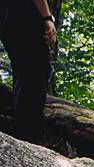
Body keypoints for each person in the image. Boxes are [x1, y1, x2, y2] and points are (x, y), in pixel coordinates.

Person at [0, 0, 56, 144]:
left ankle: (21, 139)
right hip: (24, 12)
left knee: (24, 75)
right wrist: (47, 18)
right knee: (33, 75)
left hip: (8, 16)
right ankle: (26, 141)